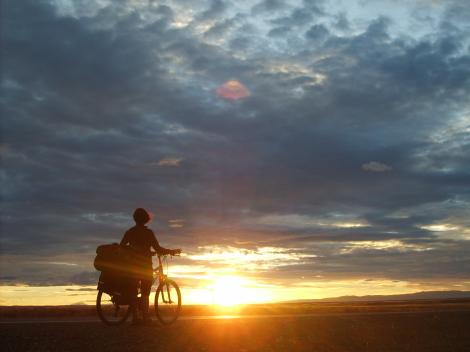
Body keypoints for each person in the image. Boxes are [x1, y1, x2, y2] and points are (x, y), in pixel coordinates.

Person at [120, 208, 181, 325]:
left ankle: (135, 318)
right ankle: (146, 317)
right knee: (145, 292)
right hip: (145, 265)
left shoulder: (130, 232)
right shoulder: (148, 233)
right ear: (146, 219)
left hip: (132, 265)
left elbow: (122, 246)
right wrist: (171, 251)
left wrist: (133, 252)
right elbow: (158, 249)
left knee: (133, 291)